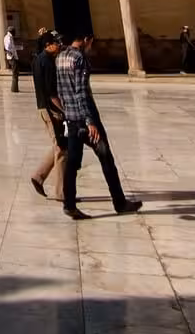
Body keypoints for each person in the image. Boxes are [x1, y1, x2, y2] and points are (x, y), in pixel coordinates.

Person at [56, 31, 140, 220]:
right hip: (85, 120)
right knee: (106, 159)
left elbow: (61, 90)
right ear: (86, 39)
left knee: (72, 163)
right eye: (91, 42)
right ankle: (120, 202)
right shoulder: (79, 59)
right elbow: (81, 92)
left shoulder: (60, 57)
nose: (91, 46)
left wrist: (68, 114)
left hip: (70, 118)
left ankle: (69, 204)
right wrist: (90, 121)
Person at [27, 31, 66, 197]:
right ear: (48, 45)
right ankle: (62, 193)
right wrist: (64, 110)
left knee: (59, 145)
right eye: (56, 43)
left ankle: (38, 176)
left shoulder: (37, 59)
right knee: (61, 150)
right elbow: (52, 92)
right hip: (50, 109)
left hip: (42, 107)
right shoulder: (48, 62)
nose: (59, 46)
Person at [3, 26, 21, 92]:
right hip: (12, 57)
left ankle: (15, 88)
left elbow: (12, 47)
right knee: (15, 73)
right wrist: (12, 55)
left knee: (16, 73)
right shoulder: (8, 37)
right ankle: (14, 88)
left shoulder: (9, 37)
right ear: (12, 31)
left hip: (13, 56)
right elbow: (7, 48)